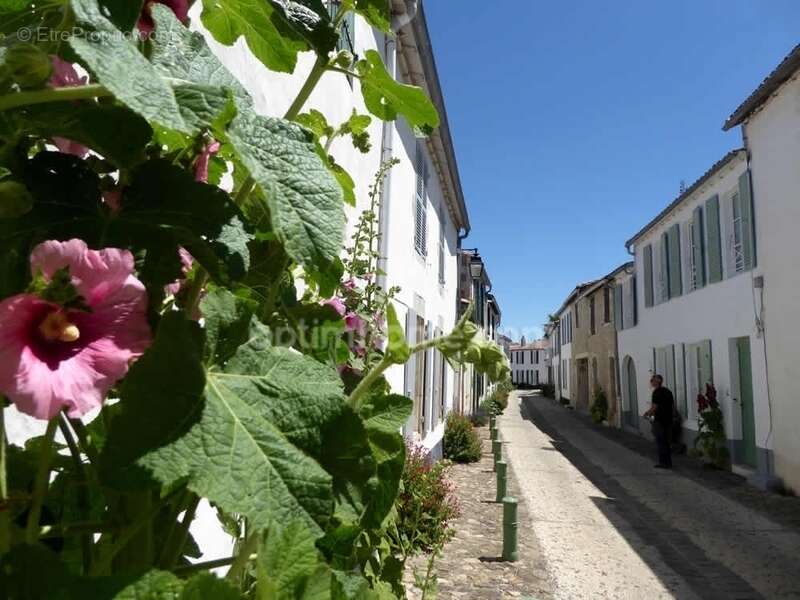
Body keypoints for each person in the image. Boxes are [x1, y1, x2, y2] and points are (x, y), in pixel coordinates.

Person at [643, 374, 674, 468]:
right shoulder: (668, 391)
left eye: (652, 380)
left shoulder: (656, 392)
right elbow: (672, 406)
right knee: (667, 442)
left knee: (661, 441)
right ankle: (668, 462)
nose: (651, 382)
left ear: (656, 382)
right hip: (668, 419)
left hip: (660, 420)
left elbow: (655, 407)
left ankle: (663, 463)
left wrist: (647, 413)